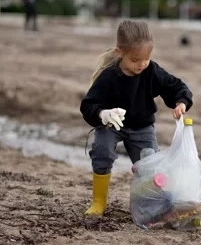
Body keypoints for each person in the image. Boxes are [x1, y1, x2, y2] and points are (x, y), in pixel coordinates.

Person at [80, 20, 193, 216]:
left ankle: (152, 204)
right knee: (102, 151)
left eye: (146, 59)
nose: (141, 65)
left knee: (150, 164)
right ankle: (99, 201)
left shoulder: (151, 71)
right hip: (111, 124)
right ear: (119, 53)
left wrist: (181, 102)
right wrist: (103, 114)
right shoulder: (108, 76)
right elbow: (88, 105)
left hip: (142, 127)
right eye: (134, 60)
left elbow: (175, 86)